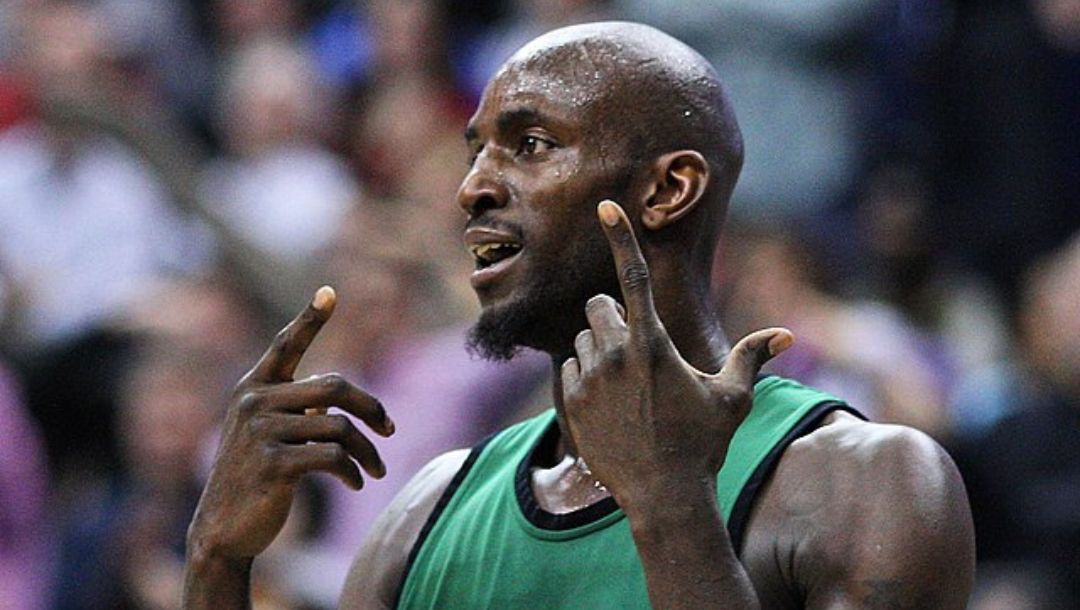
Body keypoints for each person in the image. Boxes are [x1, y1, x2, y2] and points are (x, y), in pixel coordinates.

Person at [184, 22, 975, 609]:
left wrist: (670, 505)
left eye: (529, 144)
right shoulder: (422, 515)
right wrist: (217, 562)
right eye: (475, 153)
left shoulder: (867, 482)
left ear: (668, 191)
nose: (473, 189)